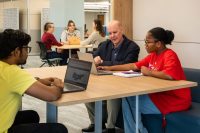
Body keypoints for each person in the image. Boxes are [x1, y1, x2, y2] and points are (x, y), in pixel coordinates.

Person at [98, 27, 191, 133]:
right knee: (128, 97)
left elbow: (169, 75)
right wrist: (108, 68)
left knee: (129, 99)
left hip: (174, 99)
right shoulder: (152, 56)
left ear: (158, 44)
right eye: (145, 41)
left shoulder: (170, 55)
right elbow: (133, 66)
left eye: (148, 42)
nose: (145, 45)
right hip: (158, 95)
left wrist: (149, 72)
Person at [0, 29, 68, 133]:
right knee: (59, 130)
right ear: (17, 51)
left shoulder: (3, 68)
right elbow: (52, 95)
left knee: (31, 116)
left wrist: (37, 81)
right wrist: (58, 86)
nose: (27, 52)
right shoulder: (12, 72)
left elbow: (12, 83)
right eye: (26, 48)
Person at [82, 20, 140, 133]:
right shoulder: (105, 44)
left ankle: (110, 127)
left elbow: (126, 65)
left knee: (112, 95)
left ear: (122, 30)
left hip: (123, 82)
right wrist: (95, 59)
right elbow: (94, 55)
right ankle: (96, 123)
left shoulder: (133, 47)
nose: (112, 36)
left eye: (115, 32)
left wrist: (103, 62)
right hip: (105, 80)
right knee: (86, 91)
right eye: (110, 33)